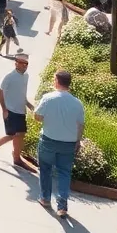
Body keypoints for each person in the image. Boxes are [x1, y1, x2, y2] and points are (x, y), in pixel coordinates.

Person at [33, 70, 86, 218]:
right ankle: (62, 207)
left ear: (57, 81)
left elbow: (37, 117)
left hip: (48, 140)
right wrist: (77, 141)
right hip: (68, 144)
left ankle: (45, 199)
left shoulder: (48, 98)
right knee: (64, 173)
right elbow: (80, 125)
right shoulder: (77, 103)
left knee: (45, 169)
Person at [0, 52, 35, 170]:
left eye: (26, 64)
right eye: (22, 63)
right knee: (11, 135)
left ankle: (17, 158)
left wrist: (29, 104)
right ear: (16, 64)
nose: (24, 65)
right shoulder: (9, 77)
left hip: (21, 111)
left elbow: (21, 93)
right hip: (11, 110)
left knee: (21, 134)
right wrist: (4, 109)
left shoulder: (26, 76)